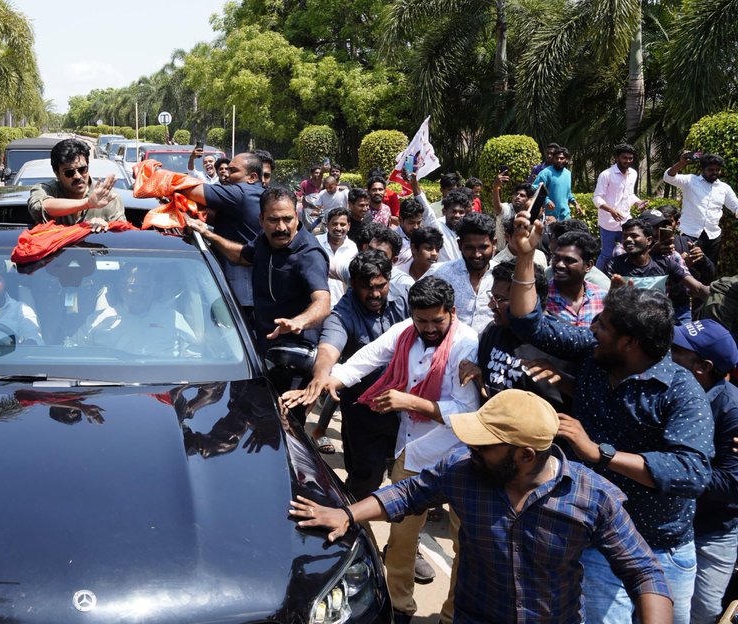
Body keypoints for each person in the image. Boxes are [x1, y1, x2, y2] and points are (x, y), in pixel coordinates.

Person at [289, 389, 674, 624]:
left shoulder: (593, 497)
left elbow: (644, 572)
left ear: (524, 456)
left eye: (484, 445)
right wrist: (346, 513)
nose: (470, 449)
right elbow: (408, 494)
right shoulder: (462, 470)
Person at [507, 209, 714, 624]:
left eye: (601, 325)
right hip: (599, 540)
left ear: (629, 342)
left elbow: (692, 472)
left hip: (663, 547)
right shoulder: (592, 356)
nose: (591, 328)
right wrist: (527, 257)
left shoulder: (680, 390)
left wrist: (599, 452)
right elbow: (530, 324)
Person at [283, 276, 480, 623]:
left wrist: (411, 401)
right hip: (414, 451)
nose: (429, 328)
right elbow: (368, 357)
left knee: (466, 544)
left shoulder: (468, 344)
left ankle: (453, 615)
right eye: (422, 321)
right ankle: (401, 606)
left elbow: (467, 412)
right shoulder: (406, 331)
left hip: (461, 455)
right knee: (402, 540)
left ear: (452, 312)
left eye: (437, 321)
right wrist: (330, 380)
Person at [188, 186, 330, 414]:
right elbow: (243, 256)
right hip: (261, 351)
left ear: (297, 216)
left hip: (294, 357)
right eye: (273, 220)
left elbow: (323, 301)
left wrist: (299, 322)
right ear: (261, 219)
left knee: (287, 422)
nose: (282, 227)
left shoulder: (309, 255)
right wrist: (208, 235)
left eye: (287, 219)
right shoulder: (264, 241)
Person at [299, 251, 409, 496]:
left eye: (381, 286)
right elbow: (329, 346)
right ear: (353, 284)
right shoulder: (343, 312)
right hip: (363, 411)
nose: (375, 294)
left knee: (408, 477)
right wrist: (321, 375)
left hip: (407, 408)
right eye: (366, 287)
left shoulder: (406, 299)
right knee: (365, 479)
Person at [665, 320, 738, 624]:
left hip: (712, 530)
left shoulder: (730, 410)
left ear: (703, 367)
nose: (667, 354)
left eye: (678, 350)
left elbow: (731, 483)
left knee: (702, 612)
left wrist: (668, 471)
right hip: (670, 523)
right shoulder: (671, 390)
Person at [457, 260, 566, 408]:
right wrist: (479, 375)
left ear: (528, 301)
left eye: (500, 299)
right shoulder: (493, 331)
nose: (491, 306)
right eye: (492, 297)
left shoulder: (561, 343)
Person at [178, 152, 265, 312]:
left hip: (239, 293)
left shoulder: (242, 193)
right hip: (252, 290)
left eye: (233, 171)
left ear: (252, 177)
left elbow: (186, 188)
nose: (226, 174)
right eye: (225, 170)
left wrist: (153, 174)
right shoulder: (258, 194)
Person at [72, 264, 197, 356]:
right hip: (111, 386)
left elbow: (194, 355)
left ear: (153, 288)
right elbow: (74, 351)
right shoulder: (100, 319)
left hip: (162, 386)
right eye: (133, 286)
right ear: (121, 288)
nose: (140, 292)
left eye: (145, 286)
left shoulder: (172, 318)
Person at [608, 216, 710, 305]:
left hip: (658, 322)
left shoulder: (666, 262)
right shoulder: (614, 265)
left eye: (634, 236)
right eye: (625, 236)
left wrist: (721, 293)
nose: (628, 240)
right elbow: (605, 297)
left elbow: (698, 289)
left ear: (648, 240)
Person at [28, 138, 125, 231]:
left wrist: (107, 227)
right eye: (69, 172)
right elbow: (40, 206)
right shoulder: (45, 190)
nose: (78, 176)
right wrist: (88, 203)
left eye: (82, 169)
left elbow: (123, 233)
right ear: (57, 173)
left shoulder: (108, 197)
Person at [424, 211, 496, 332]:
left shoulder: (502, 276)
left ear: (493, 244)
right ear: (459, 244)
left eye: (483, 247)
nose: (477, 254)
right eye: (469, 248)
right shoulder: (440, 273)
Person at [664, 151, 738, 267]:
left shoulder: (724, 188)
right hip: (689, 233)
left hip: (713, 236)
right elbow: (668, 177)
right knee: (686, 268)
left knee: (709, 268)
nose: (714, 173)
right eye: (711, 170)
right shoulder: (690, 181)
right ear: (703, 169)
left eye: (717, 170)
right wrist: (681, 163)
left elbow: (735, 205)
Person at [593, 143, 643, 269]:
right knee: (607, 255)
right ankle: (597, 281)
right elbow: (597, 198)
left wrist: (638, 202)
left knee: (628, 252)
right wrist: (611, 210)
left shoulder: (633, 173)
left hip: (626, 221)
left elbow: (630, 195)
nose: (628, 161)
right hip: (608, 223)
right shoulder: (606, 175)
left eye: (630, 158)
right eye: (624, 158)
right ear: (617, 157)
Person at [544, 229, 606, 327]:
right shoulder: (541, 297)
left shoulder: (603, 298)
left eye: (569, 260)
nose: (560, 265)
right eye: (556, 258)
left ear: (588, 266)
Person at [533, 145, 583, 221]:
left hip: (565, 217)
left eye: (562, 158)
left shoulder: (568, 173)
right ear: (553, 159)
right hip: (549, 218)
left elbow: (568, 192)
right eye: (557, 158)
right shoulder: (545, 173)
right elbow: (534, 188)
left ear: (567, 160)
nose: (559, 160)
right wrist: (547, 201)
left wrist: (575, 203)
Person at [316, 207, 356, 301]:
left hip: (341, 303)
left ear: (348, 226)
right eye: (334, 224)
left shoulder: (352, 248)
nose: (338, 228)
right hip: (317, 301)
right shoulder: (316, 242)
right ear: (327, 225)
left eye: (342, 224)